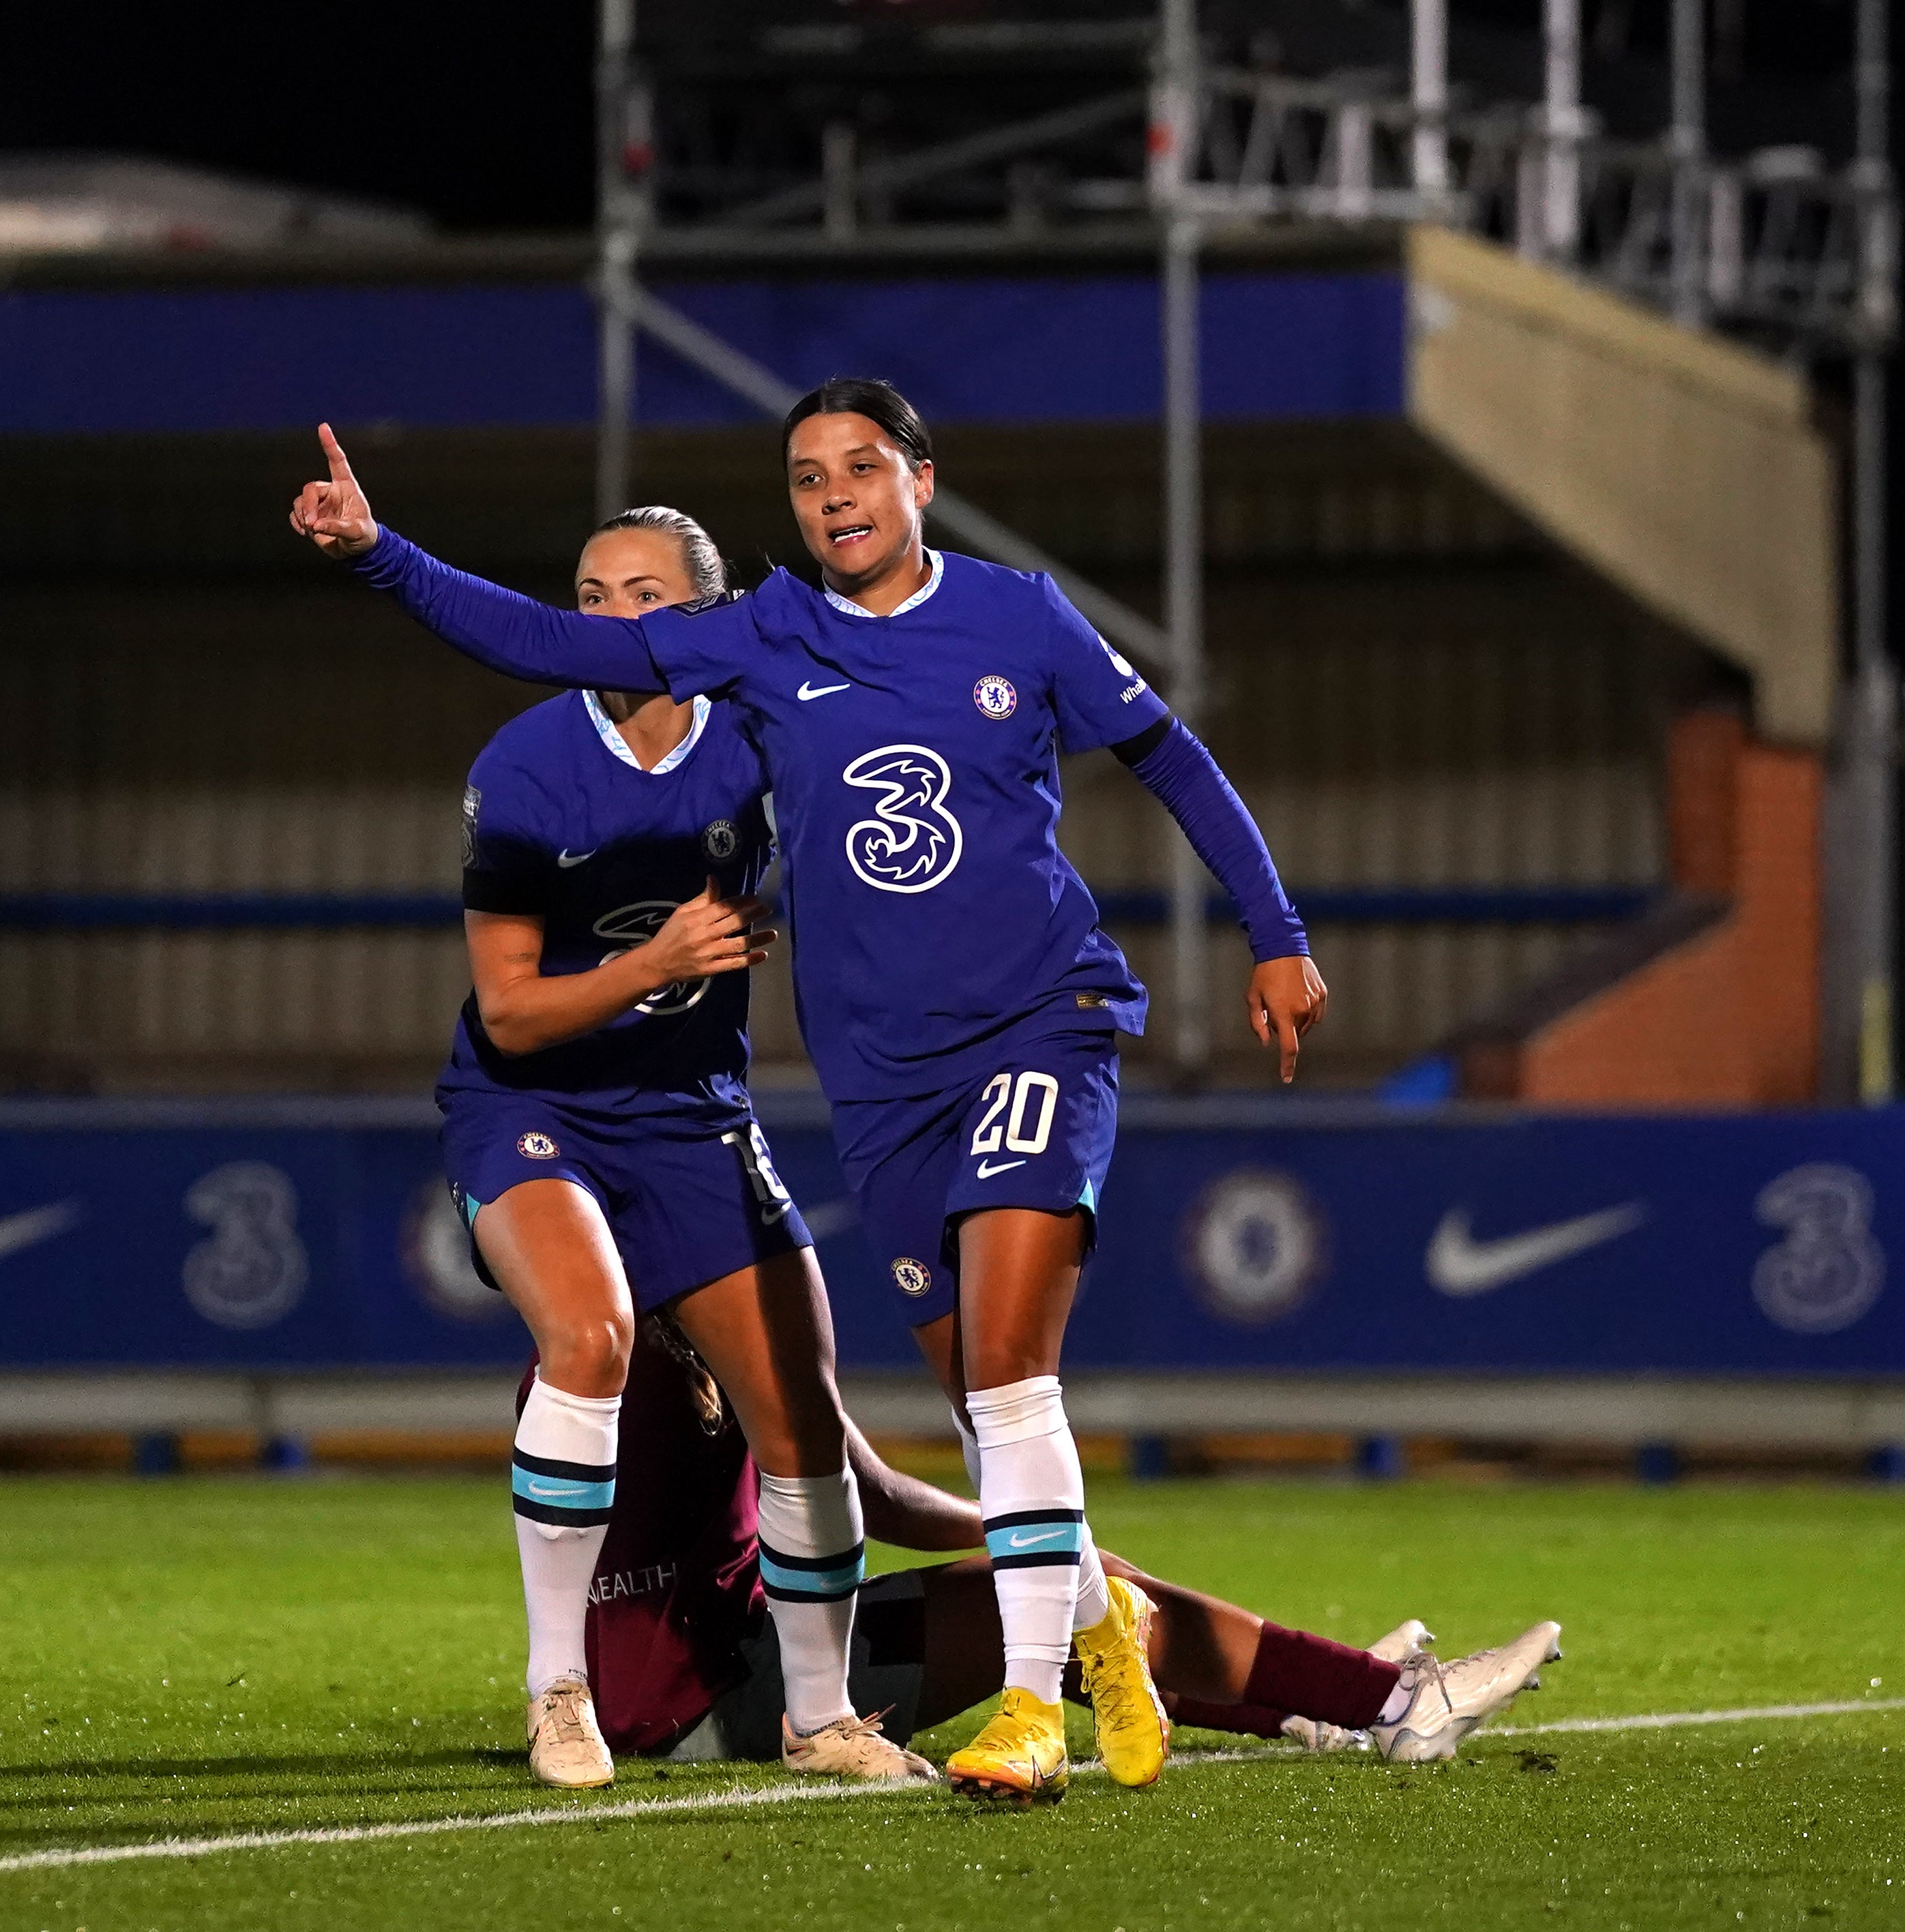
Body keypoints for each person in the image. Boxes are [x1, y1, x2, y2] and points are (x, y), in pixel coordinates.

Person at [294, 377, 1325, 1802]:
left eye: (859, 467)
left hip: (1021, 1026)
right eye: (806, 476)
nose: (834, 493)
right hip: (857, 1086)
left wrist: (1277, 934)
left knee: (992, 1380)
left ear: (918, 479)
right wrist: (380, 552)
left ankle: (1005, 1704)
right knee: (968, 1388)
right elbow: (536, 657)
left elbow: (1174, 760)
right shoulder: (715, 672)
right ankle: (1091, 1630)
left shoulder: (992, 626)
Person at [449, 507, 927, 1789]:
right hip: (531, 1102)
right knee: (591, 1335)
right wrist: (653, 961)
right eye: (591, 594)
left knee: (803, 1421)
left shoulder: (768, 741)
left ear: (705, 621)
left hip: (692, 1112)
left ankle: (820, 1718)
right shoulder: (528, 761)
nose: (610, 620)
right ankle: (561, 1690)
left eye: (643, 595)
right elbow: (509, 1008)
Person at [583, 1318, 1564, 1774]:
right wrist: (1039, 1542)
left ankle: (1313, 1706)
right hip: (730, 1700)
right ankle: (1391, 1700)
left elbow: (871, 1497)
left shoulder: (633, 1335)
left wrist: (1036, 1540)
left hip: (720, 1671)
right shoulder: (688, 1342)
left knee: (1061, 1595)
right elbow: (872, 1497)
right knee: (1069, 1597)